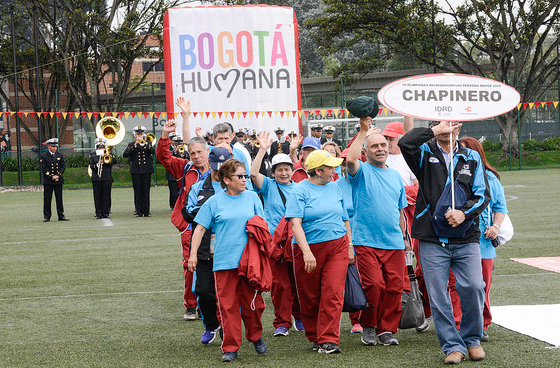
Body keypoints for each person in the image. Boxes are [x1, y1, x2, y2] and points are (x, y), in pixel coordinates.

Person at [398, 121, 490, 364]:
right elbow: (405, 142)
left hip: (466, 237)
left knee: (473, 287)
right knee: (438, 296)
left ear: (459, 128)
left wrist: (464, 214)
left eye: (450, 124)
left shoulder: (471, 156)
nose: (446, 129)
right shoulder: (424, 153)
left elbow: (483, 196)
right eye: (440, 125)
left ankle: (472, 340)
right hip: (431, 238)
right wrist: (434, 131)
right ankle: (452, 346)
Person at [188, 159, 267, 363]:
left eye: (245, 176)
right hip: (224, 262)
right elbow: (200, 228)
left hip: (250, 263)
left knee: (253, 306)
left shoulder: (252, 197)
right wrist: (193, 254)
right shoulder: (214, 202)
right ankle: (230, 347)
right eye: (240, 176)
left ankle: (255, 335)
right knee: (227, 307)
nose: (244, 180)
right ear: (226, 180)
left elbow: (263, 227)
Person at [347, 117, 409, 347]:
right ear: (366, 151)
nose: (380, 149)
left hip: (394, 242)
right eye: (374, 146)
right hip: (366, 241)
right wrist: (363, 132)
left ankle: (387, 330)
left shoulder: (395, 176)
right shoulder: (360, 171)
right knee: (374, 285)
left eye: (383, 145)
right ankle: (370, 325)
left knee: (394, 287)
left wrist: (405, 239)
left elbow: (400, 210)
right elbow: (351, 159)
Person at [285, 149, 354, 354]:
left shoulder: (335, 187)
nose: (334, 170)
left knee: (332, 293)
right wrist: (306, 252)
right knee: (310, 296)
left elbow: (345, 218)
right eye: (330, 166)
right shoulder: (299, 190)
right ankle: (315, 335)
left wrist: (349, 245)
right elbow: (295, 224)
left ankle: (329, 339)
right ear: (318, 170)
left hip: (338, 246)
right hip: (309, 248)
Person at [448, 137, 508, 343]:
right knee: (457, 286)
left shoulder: (490, 178)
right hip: (458, 240)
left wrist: (495, 226)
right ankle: (457, 324)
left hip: (483, 243)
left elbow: (500, 207)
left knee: (481, 287)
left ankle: (481, 325)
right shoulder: (452, 174)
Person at [250, 131, 304, 336]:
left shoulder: (300, 188)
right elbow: (253, 174)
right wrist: (262, 150)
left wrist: (293, 152)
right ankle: (282, 323)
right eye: (279, 170)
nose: (283, 173)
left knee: (299, 282)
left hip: (297, 242)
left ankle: (299, 316)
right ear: (273, 172)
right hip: (275, 245)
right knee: (280, 285)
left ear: (292, 170)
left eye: (287, 169)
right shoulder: (269, 186)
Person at [157, 117, 209, 322]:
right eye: (192, 153)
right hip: (189, 225)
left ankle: (209, 304)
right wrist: (165, 135)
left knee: (212, 263)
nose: (196, 157)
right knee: (190, 264)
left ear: (208, 152)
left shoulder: (218, 171)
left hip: (213, 226)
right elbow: (164, 157)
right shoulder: (185, 168)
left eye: (199, 152)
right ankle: (190, 304)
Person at [382, 120, 431, 332]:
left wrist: (403, 192)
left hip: (411, 219)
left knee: (419, 267)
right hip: (388, 219)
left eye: (391, 138)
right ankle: (395, 315)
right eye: (386, 138)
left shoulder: (408, 158)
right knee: (394, 270)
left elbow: (419, 190)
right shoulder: (380, 159)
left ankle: (421, 311)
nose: (388, 142)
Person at [185, 146, 232, 344]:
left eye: (224, 169)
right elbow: (188, 212)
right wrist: (210, 210)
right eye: (215, 168)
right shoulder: (198, 187)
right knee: (204, 291)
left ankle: (228, 329)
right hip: (204, 246)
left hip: (230, 246)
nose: (219, 173)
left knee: (230, 293)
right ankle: (211, 325)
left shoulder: (238, 185)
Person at [123, 125, 154, 217]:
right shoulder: (131, 144)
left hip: (146, 170)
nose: (139, 136)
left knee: (146, 191)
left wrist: (148, 145)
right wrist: (135, 146)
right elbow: (125, 154)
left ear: (143, 135)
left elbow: (153, 152)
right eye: (138, 134)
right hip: (136, 170)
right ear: (135, 135)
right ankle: (139, 210)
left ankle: (146, 211)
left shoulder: (148, 143)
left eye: (141, 134)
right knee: (137, 191)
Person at [40, 138, 69, 222]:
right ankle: (47, 216)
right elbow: (44, 168)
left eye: (55, 146)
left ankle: (61, 215)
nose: (55, 148)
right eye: (53, 146)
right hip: (48, 181)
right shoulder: (44, 156)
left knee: (59, 198)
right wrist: (52, 176)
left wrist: (58, 176)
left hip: (58, 180)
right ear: (48, 147)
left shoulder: (60, 155)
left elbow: (63, 166)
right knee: (47, 199)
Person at [89, 138, 115, 219]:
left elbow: (113, 163)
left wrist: (107, 156)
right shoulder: (92, 155)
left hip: (106, 178)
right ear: (96, 148)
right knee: (97, 196)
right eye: (99, 147)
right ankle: (98, 213)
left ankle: (106, 213)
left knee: (106, 196)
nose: (100, 149)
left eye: (102, 147)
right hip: (96, 178)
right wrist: (98, 164)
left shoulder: (108, 154)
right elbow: (91, 166)